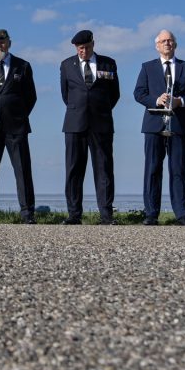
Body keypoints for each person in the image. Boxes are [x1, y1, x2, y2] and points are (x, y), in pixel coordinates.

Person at [133, 30, 185, 225]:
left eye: (170, 40)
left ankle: (182, 215)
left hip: (179, 125)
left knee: (178, 170)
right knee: (152, 170)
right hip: (153, 125)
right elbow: (138, 93)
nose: (167, 43)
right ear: (157, 45)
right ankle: (151, 215)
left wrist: (180, 101)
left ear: (175, 44)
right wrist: (156, 100)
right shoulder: (147, 67)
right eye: (163, 41)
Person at [0, 29, 37, 224]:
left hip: (16, 127)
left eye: (2, 42)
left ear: (9, 43)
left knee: (22, 171)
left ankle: (27, 213)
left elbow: (31, 96)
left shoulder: (23, 66)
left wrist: (17, 114)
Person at [60, 29, 120, 224]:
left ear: (93, 44)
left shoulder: (108, 63)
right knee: (74, 170)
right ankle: (74, 214)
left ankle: (106, 215)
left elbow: (114, 95)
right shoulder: (67, 65)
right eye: (79, 48)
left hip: (101, 124)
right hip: (74, 124)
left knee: (103, 169)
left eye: (85, 47)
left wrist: (99, 110)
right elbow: (66, 95)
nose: (82, 51)